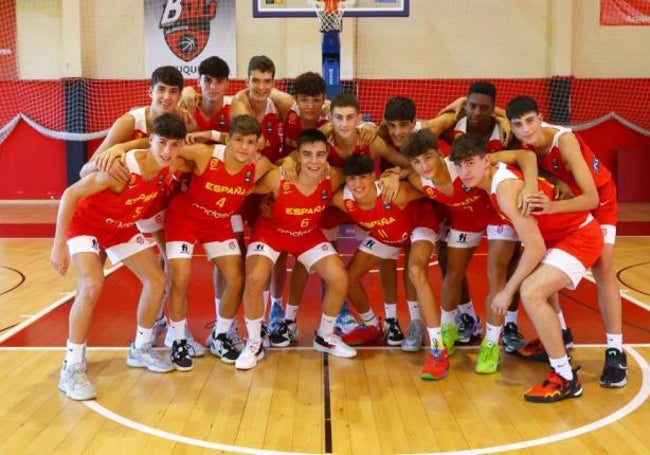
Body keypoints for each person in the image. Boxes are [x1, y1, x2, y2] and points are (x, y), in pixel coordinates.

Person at [450, 134, 603, 403]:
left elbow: (535, 248)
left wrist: (508, 291)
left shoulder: (505, 190)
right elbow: (525, 156)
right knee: (536, 283)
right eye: (460, 165)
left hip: (579, 235)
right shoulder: (494, 177)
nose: (464, 172)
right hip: (560, 236)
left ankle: (566, 378)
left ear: (486, 161)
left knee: (531, 292)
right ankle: (560, 339)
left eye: (470, 163)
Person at [51, 113, 187, 401]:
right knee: (91, 285)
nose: (167, 151)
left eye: (174, 145)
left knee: (157, 279)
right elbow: (70, 194)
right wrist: (58, 245)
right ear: (152, 140)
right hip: (87, 226)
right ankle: (72, 365)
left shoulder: (169, 163)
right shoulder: (122, 168)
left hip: (121, 228)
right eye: (162, 143)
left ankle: (140, 348)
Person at [80, 66, 207, 356]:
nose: (167, 96)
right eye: (161, 89)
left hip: (154, 205)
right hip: (117, 207)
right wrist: (114, 154)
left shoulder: (181, 122)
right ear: (149, 91)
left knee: (173, 266)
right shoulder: (129, 122)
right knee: (91, 282)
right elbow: (85, 170)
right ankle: (76, 354)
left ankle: (175, 327)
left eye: (174, 91)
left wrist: (134, 145)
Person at [506, 95, 627, 388]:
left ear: (541, 117)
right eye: (518, 124)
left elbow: (591, 198)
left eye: (530, 121)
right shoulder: (521, 142)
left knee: (603, 267)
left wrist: (551, 207)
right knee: (545, 264)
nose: (526, 129)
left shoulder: (565, 141)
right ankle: (561, 334)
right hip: (569, 200)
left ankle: (615, 350)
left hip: (597, 200)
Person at [402, 129, 538, 365]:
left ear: (438, 153)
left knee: (496, 273)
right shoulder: (417, 180)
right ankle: (448, 329)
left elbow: (524, 156)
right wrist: (395, 176)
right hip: (465, 220)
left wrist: (532, 186)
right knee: (453, 273)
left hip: (498, 212)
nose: (424, 166)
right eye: (416, 162)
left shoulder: (462, 165)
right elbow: (403, 179)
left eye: (428, 157)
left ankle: (491, 345)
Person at [236, 128, 357, 369]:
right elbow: (246, 187)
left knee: (339, 278)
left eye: (320, 155)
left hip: (306, 235)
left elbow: (360, 175)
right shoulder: (278, 177)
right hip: (271, 233)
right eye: (308, 155)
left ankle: (325, 336)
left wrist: (392, 175)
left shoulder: (332, 176)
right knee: (254, 278)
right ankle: (254, 343)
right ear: (298, 156)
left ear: (327, 156)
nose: (314, 161)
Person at [163, 114, 275, 369]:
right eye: (238, 141)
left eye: (250, 142)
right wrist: (118, 149)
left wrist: (269, 198)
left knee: (237, 278)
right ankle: (178, 338)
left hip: (218, 223)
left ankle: (220, 336)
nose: (244, 147)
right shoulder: (205, 154)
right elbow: (168, 150)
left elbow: (287, 168)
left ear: (258, 143)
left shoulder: (261, 165)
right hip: (185, 219)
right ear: (229, 140)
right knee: (180, 278)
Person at [330, 154, 451, 380]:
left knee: (416, 270)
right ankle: (371, 324)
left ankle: (438, 349)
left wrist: (399, 175)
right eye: (352, 179)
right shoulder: (342, 199)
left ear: (374, 177)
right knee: (347, 278)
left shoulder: (396, 193)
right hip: (387, 235)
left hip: (418, 225)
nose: (358, 184)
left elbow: (432, 185)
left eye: (363, 178)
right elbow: (315, 198)